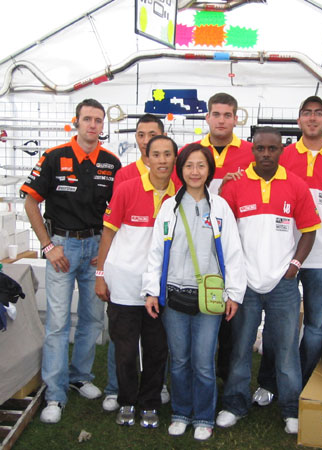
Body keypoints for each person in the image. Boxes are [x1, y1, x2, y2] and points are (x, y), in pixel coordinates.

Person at [253, 96, 322, 407]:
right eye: (306, 113)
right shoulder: (283, 155)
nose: (312, 118)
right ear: (299, 120)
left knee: (315, 327)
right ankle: (268, 383)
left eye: (318, 113)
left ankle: (299, 383)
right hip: (284, 257)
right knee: (276, 325)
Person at [21, 99, 121, 424]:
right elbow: (30, 203)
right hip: (62, 248)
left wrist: (105, 250)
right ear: (76, 122)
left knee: (92, 319)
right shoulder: (54, 157)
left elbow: (116, 212)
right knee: (58, 323)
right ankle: (55, 393)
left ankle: (80, 377)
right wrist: (48, 246)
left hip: (96, 248)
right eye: (87, 119)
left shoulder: (111, 163)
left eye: (98, 120)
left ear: (103, 126)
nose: (93, 125)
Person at [216, 127, 321, 435]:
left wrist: (295, 265)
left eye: (272, 149)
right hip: (245, 284)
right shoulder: (235, 185)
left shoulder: (295, 185)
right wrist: (233, 273)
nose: (265, 154)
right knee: (240, 348)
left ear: (281, 151)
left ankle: (291, 410)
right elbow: (221, 232)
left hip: (283, 284)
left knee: (287, 351)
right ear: (253, 150)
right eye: (260, 148)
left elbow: (310, 229)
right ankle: (234, 404)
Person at [142, 143, 247, 441]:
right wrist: (151, 291)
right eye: (189, 165)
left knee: (203, 362)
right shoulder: (169, 207)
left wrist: (234, 293)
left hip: (209, 298)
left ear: (209, 170)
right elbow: (155, 252)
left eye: (201, 165)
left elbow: (233, 252)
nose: (195, 171)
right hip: (175, 295)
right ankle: (180, 412)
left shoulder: (220, 207)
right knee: (179, 360)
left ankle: (203, 416)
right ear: (181, 169)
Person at [95, 135, 177, 428]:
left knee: (157, 350)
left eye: (168, 154)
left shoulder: (180, 194)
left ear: (174, 159)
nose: (162, 160)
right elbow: (108, 233)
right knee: (126, 350)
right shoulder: (127, 189)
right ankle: (127, 401)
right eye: (156, 154)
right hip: (124, 284)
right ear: (147, 157)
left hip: (160, 288)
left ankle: (150, 403)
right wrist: (100, 276)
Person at [179, 92, 253, 382]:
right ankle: (196, 373)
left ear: (236, 118)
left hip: (236, 243)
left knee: (231, 319)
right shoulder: (192, 152)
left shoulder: (251, 152)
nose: (221, 120)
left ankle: (225, 376)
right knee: (201, 310)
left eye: (227, 115)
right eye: (216, 114)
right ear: (207, 117)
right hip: (196, 246)